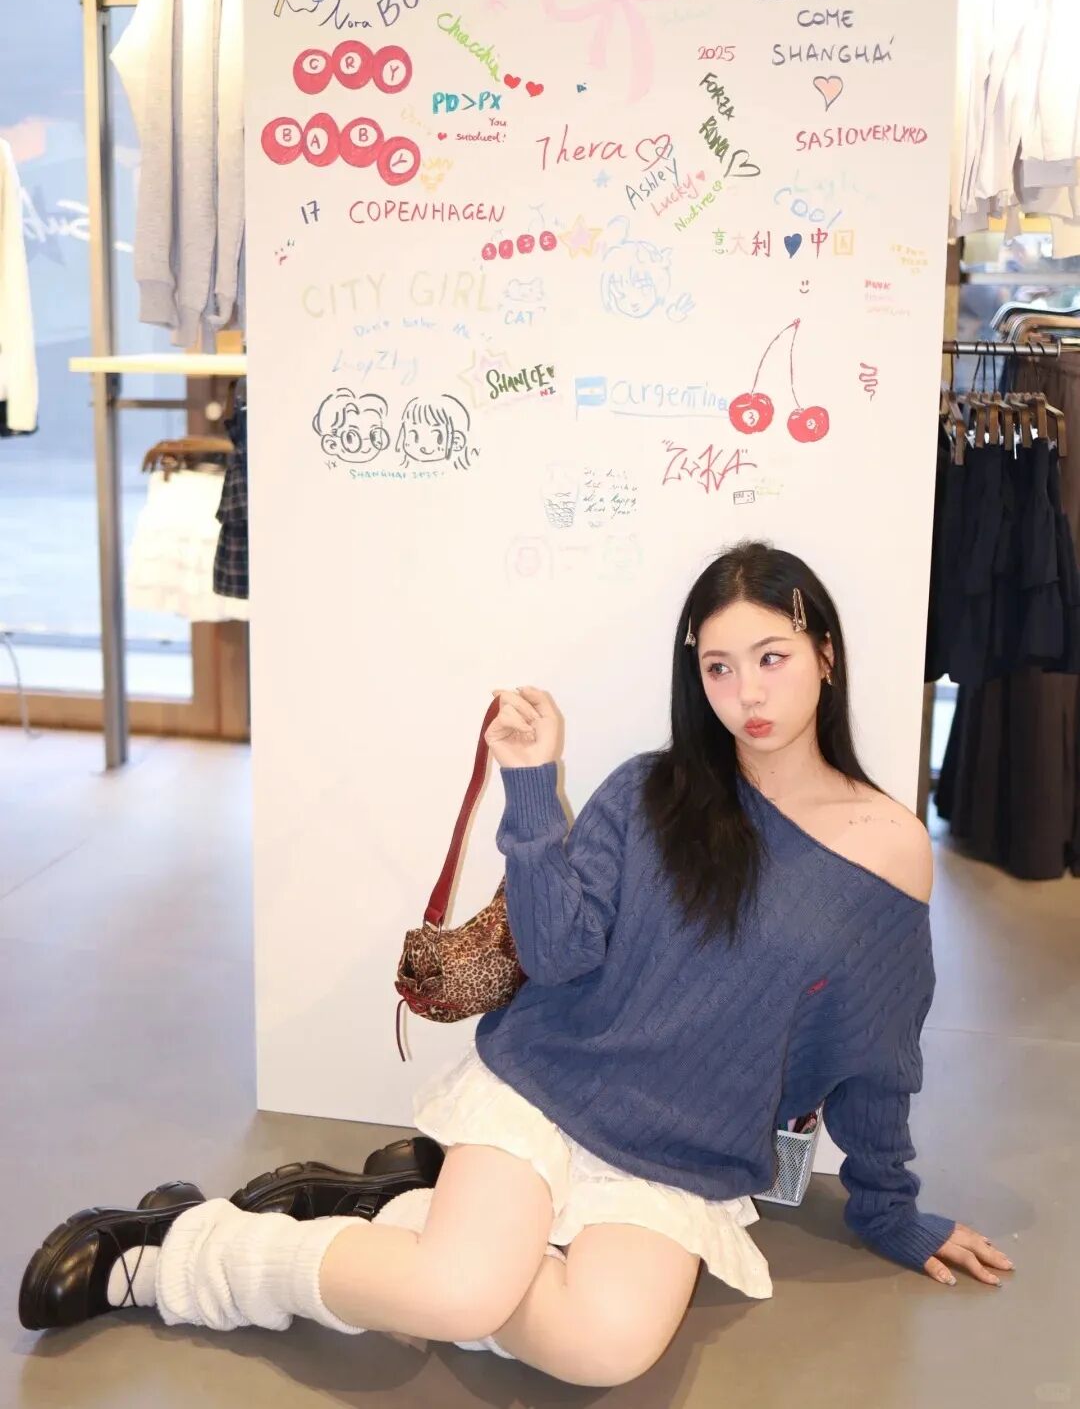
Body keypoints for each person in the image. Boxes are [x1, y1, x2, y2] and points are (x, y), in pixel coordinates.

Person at [18, 541, 1015, 1387]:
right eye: (718, 667)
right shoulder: (654, 792)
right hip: (548, 1083)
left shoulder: (888, 850)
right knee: (460, 1292)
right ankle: (171, 1250)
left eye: (771, 657)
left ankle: (402, 1217)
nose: (747, 693)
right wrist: (531, 789)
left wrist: (892, 1212)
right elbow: (556, 954)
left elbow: (878, 1053)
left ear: (826, 655)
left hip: (683, 1156)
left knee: (605, 1350)